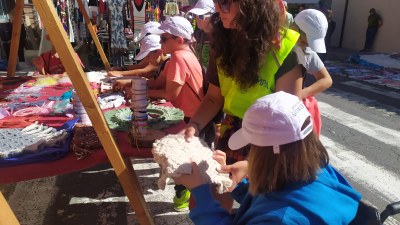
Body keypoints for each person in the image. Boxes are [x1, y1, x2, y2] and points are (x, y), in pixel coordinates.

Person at [181, 0, 303, 211]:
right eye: (216, 2)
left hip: (272, 143)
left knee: (262, 209)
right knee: (205, 200)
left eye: (225, 2)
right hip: (233, 132)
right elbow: (213, 98)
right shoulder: (222, 42)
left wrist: (252, 167)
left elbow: (288, 126)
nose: (217, 9)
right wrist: (195, 125)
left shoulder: (284, 51)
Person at [174, 91, 362, 225]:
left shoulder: (279, 219)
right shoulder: (320, 170)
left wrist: (200, 192)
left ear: (267, 156)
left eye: (252, 147)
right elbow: (279, 196)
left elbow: (276, 208)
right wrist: (239, 187)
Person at [152, 16, 206, 212]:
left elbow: (169, 94)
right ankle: (191, 198)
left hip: (192, 119)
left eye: (164, 38)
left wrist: (140, 92)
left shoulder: (178, 57)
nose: (160, 42)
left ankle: (184, 199)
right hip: (198, 116)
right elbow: (160, 84)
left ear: (179, 40)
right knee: (192, 160)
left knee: (184, 162)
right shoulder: (186, 54)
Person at [293, 9, 332, 136]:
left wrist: (303, 93)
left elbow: (326, 79)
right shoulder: (273, 42)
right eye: (306, 39)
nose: (307, 44)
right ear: (295, 27)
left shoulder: (306, 51)